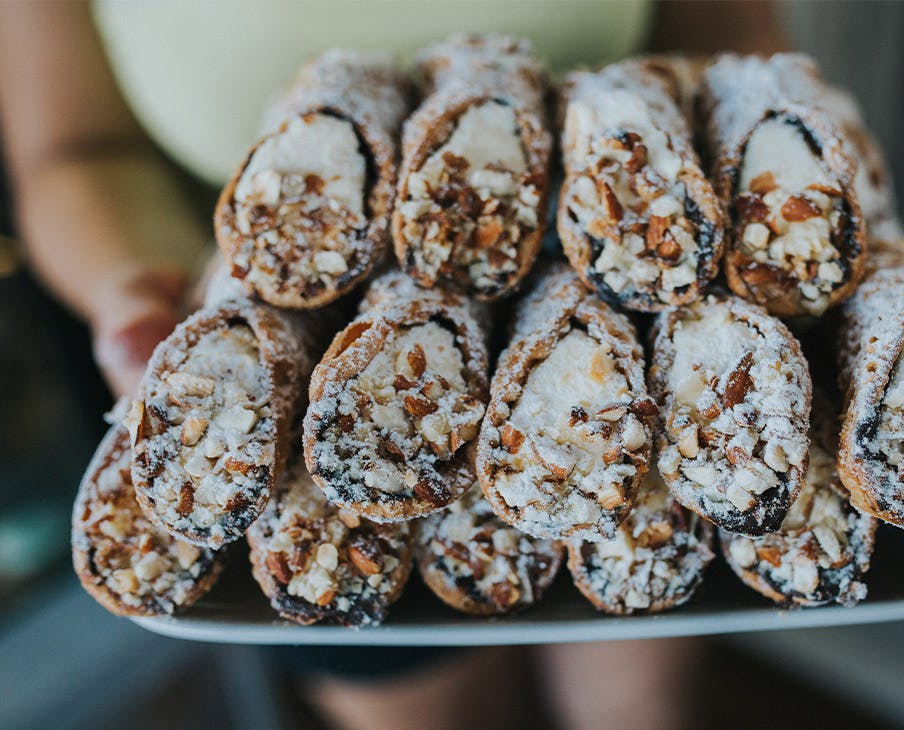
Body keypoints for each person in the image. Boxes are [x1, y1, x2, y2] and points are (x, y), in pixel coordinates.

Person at [0, 3, 786, 728]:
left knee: (635, 700)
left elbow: (728, 37)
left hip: (648, 319)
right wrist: (143, 291)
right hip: (259, 306)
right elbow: (72, 148)